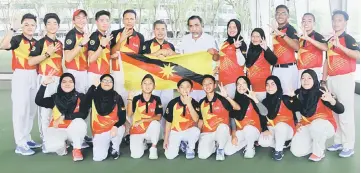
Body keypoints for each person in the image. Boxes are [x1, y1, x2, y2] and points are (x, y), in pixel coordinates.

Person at [0, 13, 40, 155]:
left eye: (32, 25)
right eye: (26, 24)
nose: (30, 27)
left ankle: (27, 137)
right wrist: (12, 29)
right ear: (22, 26)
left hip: (34, 75)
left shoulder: (36, 42)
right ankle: (20, 143)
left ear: (36, 26)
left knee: (31, 110)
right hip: (21, 75)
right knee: (21, 109)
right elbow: (3, 45)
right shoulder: (17, 39)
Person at [322, 10, 360, 158]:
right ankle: (338, 141)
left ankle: (348, 145)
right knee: (335, 112)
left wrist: (340, 46)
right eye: (334, 20)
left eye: (339, 20)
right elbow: (327, 61)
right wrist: (323, 80)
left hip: (344, 79)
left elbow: (358, 56)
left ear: (345, 22)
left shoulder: (349, 39)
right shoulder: (330, 40)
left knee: (345, 114)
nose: (336, 23)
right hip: (331, 79)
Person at [290, 69, 344, 162]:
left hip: (325, 125)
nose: (305, 81)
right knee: (296, 151)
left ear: (314, 79)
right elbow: (296, 110)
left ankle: (319, 152)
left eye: (309, 78)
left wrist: (331, 100)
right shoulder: (299, 94)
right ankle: (315, 142)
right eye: (303, 78)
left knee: (316, 126)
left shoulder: (321, 93)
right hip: (307, 124)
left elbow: (341, 110)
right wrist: (298, 122)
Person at [35, 72, 88, 161]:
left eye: (70, 81)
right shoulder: (55, 98)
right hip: (58, 127)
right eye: (64, 82)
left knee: (80, 122)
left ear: (74, 84)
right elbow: (39, 101)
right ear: (60, 84)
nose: (67, 84)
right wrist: (44, 84)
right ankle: (63, 144)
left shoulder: (80, 96)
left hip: (73, 129)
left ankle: (77, 149)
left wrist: (64, 116)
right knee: (52, 147)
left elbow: (83, 114)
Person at [28, 13, 63, 147]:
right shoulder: (40, 42)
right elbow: (31, 61)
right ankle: (45, 140)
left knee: (57, 110)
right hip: (45, 79)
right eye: (49, 23)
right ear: (45, 26)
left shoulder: (60, 44)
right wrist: (47, 53)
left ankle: (56, 137)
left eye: (55, 23)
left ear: (58, 26)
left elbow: (60, 63)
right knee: (45, 112)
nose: (52, 26)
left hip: (58, 80)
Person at [84, 74, 126, 161]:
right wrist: (92, 87)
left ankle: (114, 147)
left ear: (113, 84)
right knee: (98, 158)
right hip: (99, 131)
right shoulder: (94, 95)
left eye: (110, 81)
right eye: (104, 80)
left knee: (120, 129)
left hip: (113, 129)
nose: (107, 83)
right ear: (100, 82)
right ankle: (102, 143)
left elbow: (122, 116)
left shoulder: (117, 97)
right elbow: (84, 104)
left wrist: (116, 126)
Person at [197, 75, 240, 161]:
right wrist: (197, 136)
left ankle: (220, 149)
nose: (207, 86)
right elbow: (201, 120)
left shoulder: (222, 99)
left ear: (215, 85)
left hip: (222, 131)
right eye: (205, 84)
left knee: (223, 127)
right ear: (202, 87)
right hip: (207, 132)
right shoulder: (201, 102)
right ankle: (214, 145)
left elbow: (237, 108)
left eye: (210, 83)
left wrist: (227, 96)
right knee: (202, 155)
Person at [178, 16, 220, 101]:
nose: (194, 28)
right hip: (189, 80)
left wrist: (214, 53)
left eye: (196, 25)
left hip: (205, 81)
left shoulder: (210, 39)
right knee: (190, 108)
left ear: (202, 25)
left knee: (204, 107)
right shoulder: (184, 39)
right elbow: (179, 58)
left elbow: (217, 58)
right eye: (191, 26)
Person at [224, 76, 266, 159]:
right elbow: (232, 120)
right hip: (241, 131)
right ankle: (247, 142)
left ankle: (250, 147)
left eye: (243, 83)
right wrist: (233, 136)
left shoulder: (253, 99)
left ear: (248, 85)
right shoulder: (233, 101)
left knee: (248, 129)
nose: (241, 86)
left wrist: (255, 99)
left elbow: (264, 112)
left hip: (253, 130)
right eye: (238, 84)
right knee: (227, 151)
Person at [258, 75, 296, 161]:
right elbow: (262, 118)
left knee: (280, 126)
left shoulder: (285, 98)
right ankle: (282, 143)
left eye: (272, 84)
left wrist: (293, 97)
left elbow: (296, 108)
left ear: (278, 85)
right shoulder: (264, 101)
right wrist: (264, 129)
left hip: (286, 129)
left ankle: (278, 150)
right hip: (272, 128)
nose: (269, 87)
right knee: (262, 142)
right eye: (267, 84)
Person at [111, 9, 145, 101]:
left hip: (132, 73)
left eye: (131, 19)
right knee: (118, 99)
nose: (129, 21)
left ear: (135, 20)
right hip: (117, 72)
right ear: (123, 20)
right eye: (126, 19)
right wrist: (121, 39)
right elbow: (112, 53)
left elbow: (141, 58)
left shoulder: (140, 37)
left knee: (132, 99)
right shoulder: (115, 33)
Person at [127, 74, 162, 159]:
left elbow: (158, 117)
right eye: (145, 83)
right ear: (141, 86)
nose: (147, 86)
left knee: (156, 124)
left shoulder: (157, 99)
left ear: (154, 86)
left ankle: (153, 147)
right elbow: (129, 114)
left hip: (150, 128)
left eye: (150, 83)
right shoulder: (136, 99)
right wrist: (130, 99)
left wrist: (143, 120)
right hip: (137, 129)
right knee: (135, 155)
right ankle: (143, 144)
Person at [163, 79, 200, 160]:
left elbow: (196, 119)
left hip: (188, 131)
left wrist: (189, 104)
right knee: (169, 156)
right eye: (182, 87)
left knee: (196, 131)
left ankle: (190, 148)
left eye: (187, 87)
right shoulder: (172, 103)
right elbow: (168, 122)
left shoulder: (195, 103)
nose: (185, 89)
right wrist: (166, 139)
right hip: (175, 132)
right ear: (178, 89)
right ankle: (181, 144)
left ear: (191, 89)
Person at [269, 5, 299, 94]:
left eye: (283, 13)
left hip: (288, 69)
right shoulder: (274, 31)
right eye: (278, 13)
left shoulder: (290, 29)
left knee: (289, 98)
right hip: (276, 69)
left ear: (288, 16)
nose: (280, 16)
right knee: (275, 96)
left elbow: (297, 47)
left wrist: (283, 35)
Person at [217, 19, 247, 98]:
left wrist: (237, 48)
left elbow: (241, 63)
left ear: (238, 29)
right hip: (222, 80)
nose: (231, 29)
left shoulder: (241, 42)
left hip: (234, 81)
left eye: (234, 27)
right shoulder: (224, 43)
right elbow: (221, 59)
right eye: (229, 27)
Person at [246, 28, 277, 100]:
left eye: (258, 36)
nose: (255, 38)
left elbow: (274, 61)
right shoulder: (250, 50)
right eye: (253, 36)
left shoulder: (265, 50)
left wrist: (266, 48)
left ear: (262, 38)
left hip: (263, 88)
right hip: (251, 88)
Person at [64, 9, 90, 94]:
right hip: (74, 72)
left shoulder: (84, 34)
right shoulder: (71, 34)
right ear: (73, 21)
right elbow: (68, 58)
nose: (81, 20)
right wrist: (81, 43)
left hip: (84, 71)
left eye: (83, 18)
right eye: (78, 18)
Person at [297, 13, 328, 83]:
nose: (306, 23)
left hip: (314, 71)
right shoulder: (300, 37)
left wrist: (308, 38)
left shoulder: (318, 36)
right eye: (304, 21)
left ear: (314, 23)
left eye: (309, 21)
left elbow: (326, 48)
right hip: (301, 71)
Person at [87, 10, 115, 84]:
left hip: (105, 74)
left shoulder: (105, 37)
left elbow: (102, 55)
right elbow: (91, 59)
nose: (105, 23)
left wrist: (112, 56)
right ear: (96, 22)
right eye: (102, 20)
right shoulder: (94, 36)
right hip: (95, 75)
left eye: (107, 20)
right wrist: (102, 45)